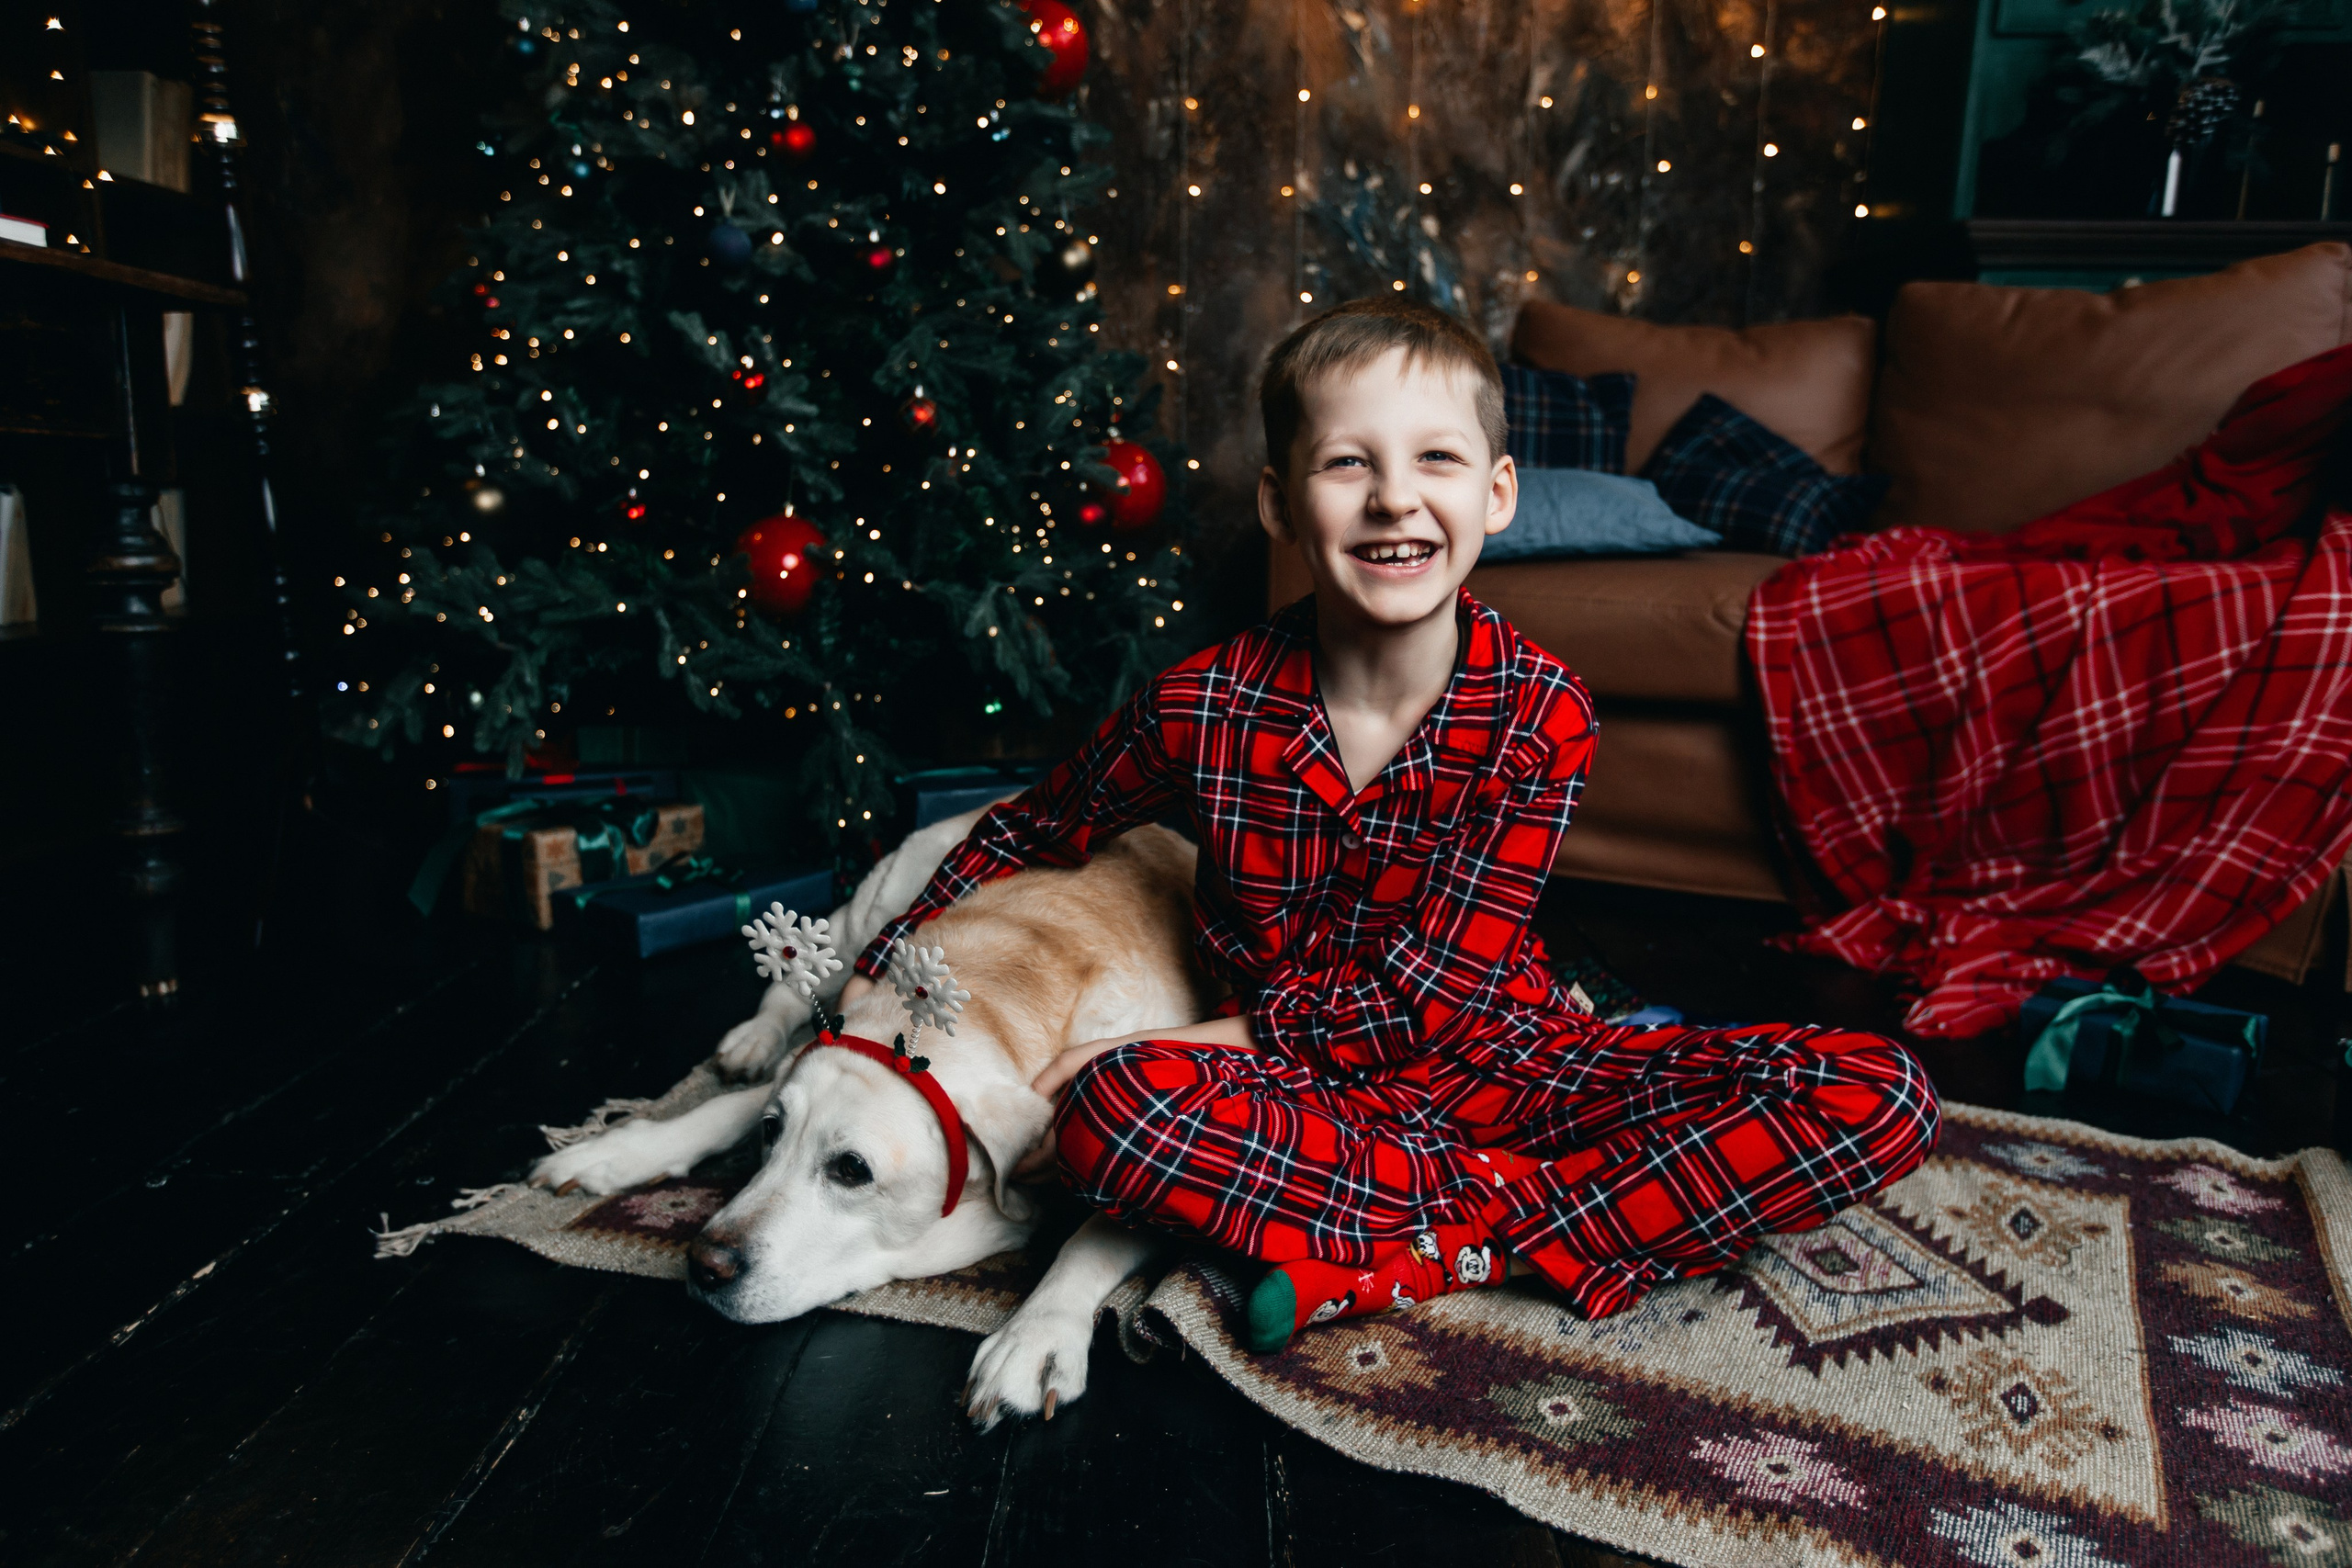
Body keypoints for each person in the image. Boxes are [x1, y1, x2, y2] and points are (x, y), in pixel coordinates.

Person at [843, 296, 1939, 1352]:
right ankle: (1540, 1221)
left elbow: (1429, 999)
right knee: (1115, 1120)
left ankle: (1437, 1251)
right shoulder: (1204, 706)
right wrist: (883, 968)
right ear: (1281, 502)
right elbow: (1029, 831)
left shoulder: (1537, 710)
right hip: (1287, 1099)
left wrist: (1132, 1043)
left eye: (1436, 460)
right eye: (1346, 462)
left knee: (1878, 1094)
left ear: (1498, 494)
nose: (1393, 499)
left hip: (1501, 1060)